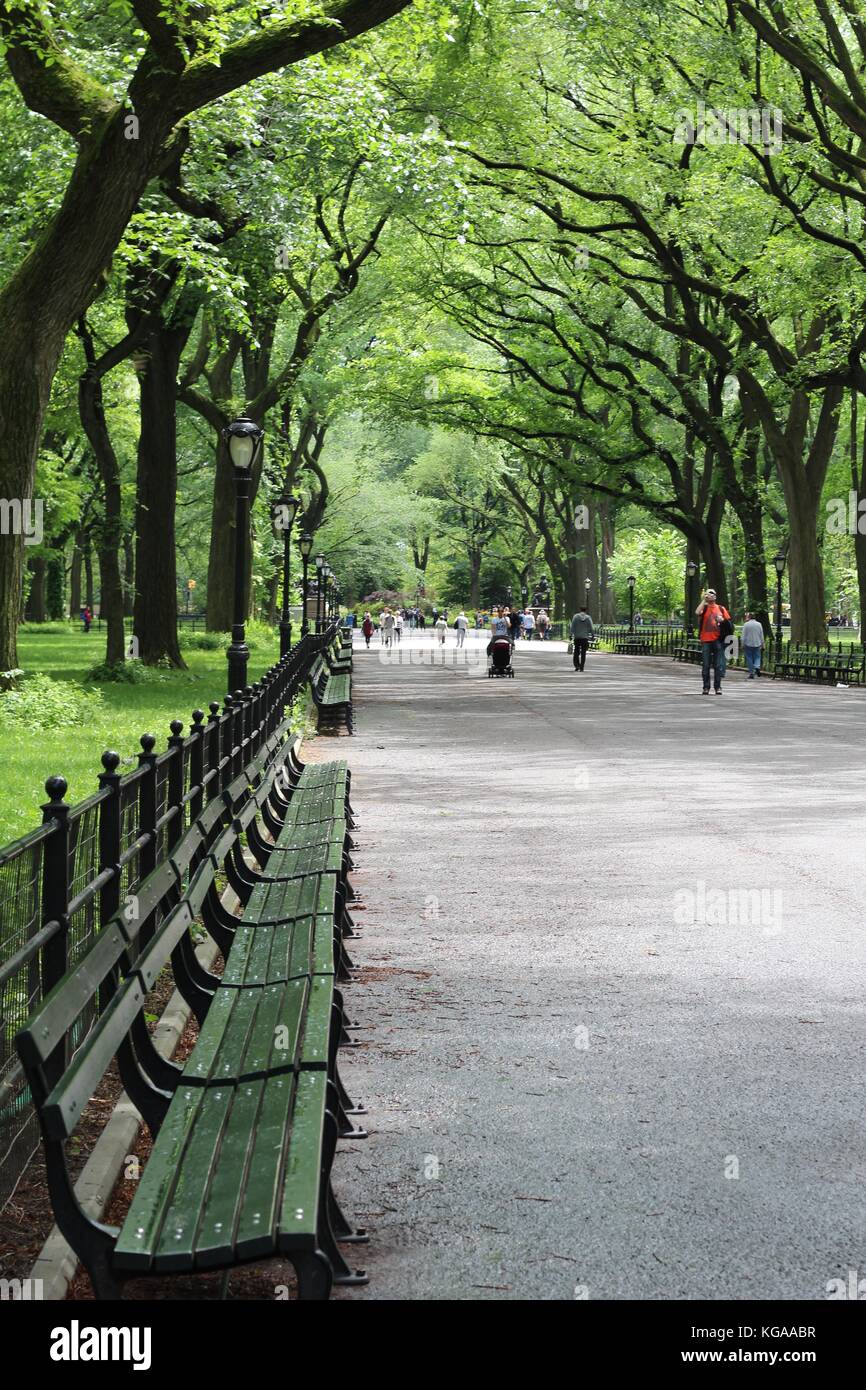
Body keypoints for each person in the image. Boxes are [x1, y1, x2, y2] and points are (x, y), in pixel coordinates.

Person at [695, 588, 732, 695]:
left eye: (712, 593)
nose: (710, 595)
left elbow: (729, 623)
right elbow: (697, 612)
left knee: (718, 665)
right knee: (706, 665)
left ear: (715, 596)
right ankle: (706, 687)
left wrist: (722, 620)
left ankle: (718, 687)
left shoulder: (721, 608)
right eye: (708, 593)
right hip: (705, 640)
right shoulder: (705, 608)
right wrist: (704, 600)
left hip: (718, 640)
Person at [741, 611, 765, 679]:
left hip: (748, 643)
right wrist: (763, 644)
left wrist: (742, 644)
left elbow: (743, 635)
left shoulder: (746, 624)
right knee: (757, 656)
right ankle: (757, 666)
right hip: (757, 643)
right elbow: (761, 635)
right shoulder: (759, 624)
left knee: (749, 658)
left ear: (749, 617)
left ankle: (751, 673)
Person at [570, 605, 594, 671]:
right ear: (586, 610)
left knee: (576, 652)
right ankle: (582, 667)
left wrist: (571, 634)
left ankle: (577, 665)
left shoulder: (575, 617)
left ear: (580, 610)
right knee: (583, 653)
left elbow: (572, 626)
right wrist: (592, 635)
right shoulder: (588, 617)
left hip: (577, 637)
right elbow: (591, 627)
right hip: (585, 638)